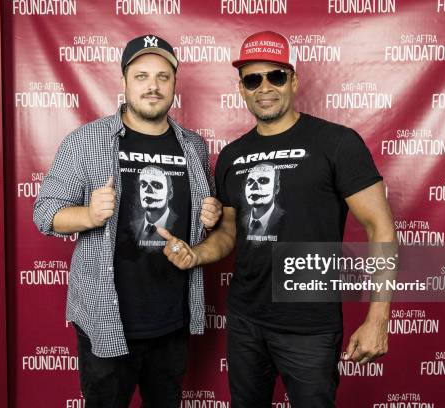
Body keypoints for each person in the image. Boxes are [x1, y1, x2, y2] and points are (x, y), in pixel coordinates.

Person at [157, 31, 397, 407]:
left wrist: (378, 318)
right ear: (242, 88)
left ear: (294, 80)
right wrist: (198, 254)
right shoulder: (234, 155)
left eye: (276, 76)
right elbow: (229, 232)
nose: (264, 87)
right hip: (246, 321)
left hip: (310, 326)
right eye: (253, 79)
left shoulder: (337, 143)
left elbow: (380, 227)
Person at [33, 34, 222, 408]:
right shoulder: (85, 142)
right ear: (123, 82)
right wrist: (88, 214)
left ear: (173, 85)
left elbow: (206, 221)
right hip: (106, 318)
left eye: (162, 77)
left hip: (172, 320)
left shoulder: (194, 146)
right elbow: (44, 214)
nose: (152, 86)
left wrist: (210, 216)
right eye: (141, 76)